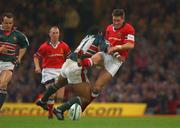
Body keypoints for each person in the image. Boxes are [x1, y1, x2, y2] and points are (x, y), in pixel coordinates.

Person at [51, 8, 135, 120]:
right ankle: (81, 62)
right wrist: (108, 50)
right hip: (107, 54)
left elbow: (130, 45)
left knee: (96, 89)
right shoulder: (109, 28)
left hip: (116, 62)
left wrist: (117, 48)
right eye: (114, 20)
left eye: (118, 20)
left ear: (123, 19)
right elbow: (104, 45)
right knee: (95, 58)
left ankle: (67, 108)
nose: (115, 22)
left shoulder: (129, 29)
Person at [36, 26, 109, 120]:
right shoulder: (99, 37)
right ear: (99, 33)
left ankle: (43, 100)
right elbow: (103, 48)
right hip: (77, 66)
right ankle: (59, 109)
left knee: (57, 85)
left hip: (67, 63)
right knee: (86, 97)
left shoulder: (86, 37)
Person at [33, 26, 71, 119]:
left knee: (60, 97)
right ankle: (50, 114)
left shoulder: (64, 46)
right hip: (48, 71)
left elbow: (69, 57)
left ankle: (50, 107)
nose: (55, 35)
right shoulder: (44, 46)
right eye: (53, 33)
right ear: (49, 34)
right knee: (52, 95)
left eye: (56, 33)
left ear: (59, 34)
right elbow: (36, 56)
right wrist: (37, 66)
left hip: (60, 71)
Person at [0, 12, 29, 110]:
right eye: (6, 23)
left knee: (3, 84)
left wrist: (19, 57)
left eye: (10, 23)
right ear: (2, 23)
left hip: (8, 64)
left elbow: (24, 45)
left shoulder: (18, 35)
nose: (8, 25)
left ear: (13, 23)